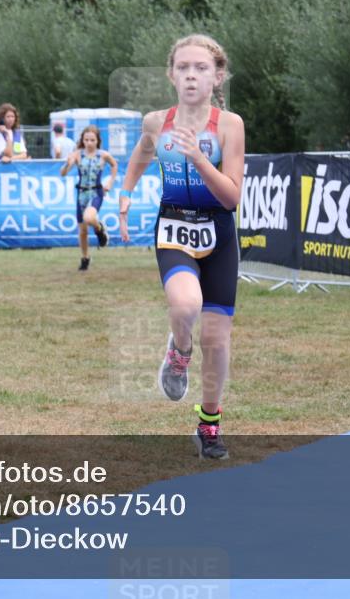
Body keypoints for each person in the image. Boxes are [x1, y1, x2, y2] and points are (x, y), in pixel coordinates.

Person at [118, 34, 245, 460]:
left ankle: (209, 424)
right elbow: (142, 152)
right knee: (185, 307)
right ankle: (179, 352)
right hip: (173, 225)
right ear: (171, 74)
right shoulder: (157, 121)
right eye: (184, 67)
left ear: (217, 75)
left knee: (218, 338)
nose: (192, 75)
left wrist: (199, 158)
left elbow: (231, 197)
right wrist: (126, 191)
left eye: (202, 68)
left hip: (219, 233)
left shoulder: (230, 125)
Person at [59, 125, 117, 270]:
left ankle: (100, 229)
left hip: (96, 192)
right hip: (81, 194)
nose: (89, 143)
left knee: (89, 218)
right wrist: (67, 164)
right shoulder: (77, 154)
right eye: (86, 140)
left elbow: (114, 165)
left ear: (97, 140)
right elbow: (63, 173)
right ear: (82, 140)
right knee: (83, 230)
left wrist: (110, 181)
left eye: (92, 140)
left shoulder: (103, 155)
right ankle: (85, 257)